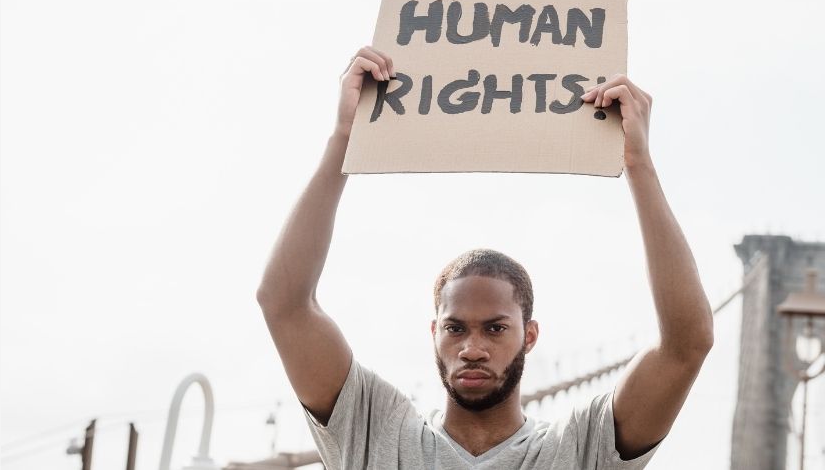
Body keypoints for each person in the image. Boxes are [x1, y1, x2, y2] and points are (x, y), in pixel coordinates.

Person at [255, 46, 713, 469]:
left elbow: (686, 344)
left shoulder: (579, 447)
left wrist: (639, 163)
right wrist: (344, 138)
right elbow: (284, 303)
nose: (472, 349)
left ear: (529, 335)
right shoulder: (376, 429)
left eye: (495, 328)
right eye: (455, 328)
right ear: (435, 332)